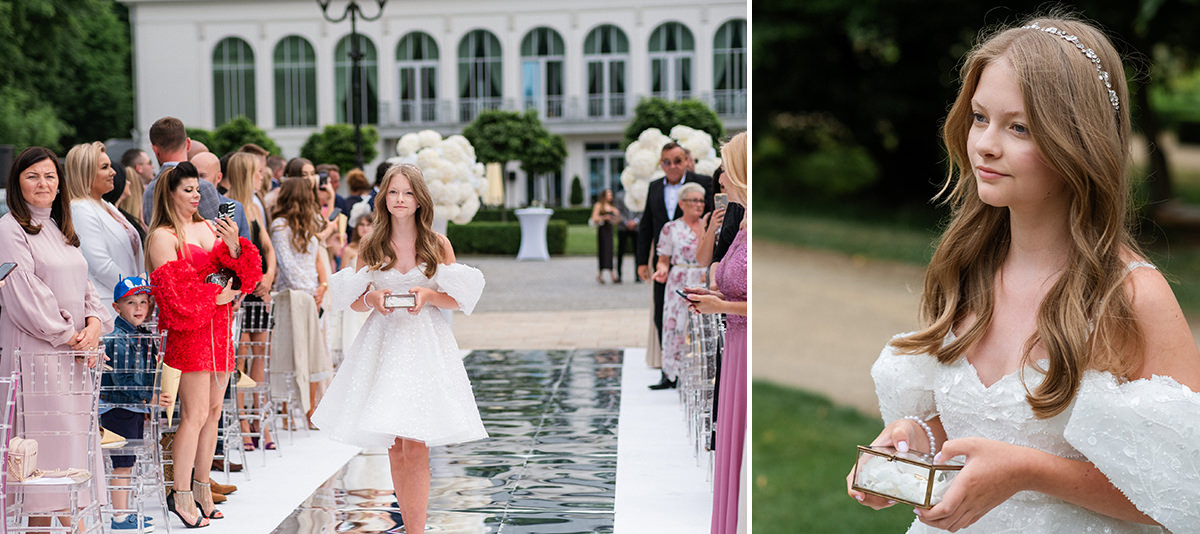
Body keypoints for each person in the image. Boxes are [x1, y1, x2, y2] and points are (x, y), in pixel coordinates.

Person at [845, 16, 1200, 533]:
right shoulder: (968, 265)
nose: (985, 144)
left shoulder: (1130, 295)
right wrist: (918, 438)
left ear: (1078, 141)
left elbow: (1184, 490)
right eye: (979, 117)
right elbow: (976, 424)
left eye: (1019, 128)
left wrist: (1029, 472)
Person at [312, 164, 486, 534]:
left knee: (416, 440)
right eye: (393, 192)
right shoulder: (371, 244)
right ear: (384, 197)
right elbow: (354, 299)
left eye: (407, 193)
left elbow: (457, 298)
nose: (400, 199)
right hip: (384, 344)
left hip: (425, 345)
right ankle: (407, 526)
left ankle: (417, 529)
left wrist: (428, 295)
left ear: (419, 199)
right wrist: (372, 299)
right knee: (395, 444)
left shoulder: (436, 244)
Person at [0, 146, 114, 524]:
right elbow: (25, 295)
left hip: (75, 356)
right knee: (48, 448)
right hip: (37, 354)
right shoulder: (9, 229)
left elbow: (85, 286)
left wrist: (94, 325)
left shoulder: (58, 226)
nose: (43, 183)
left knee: (72, 445)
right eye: (32, 176)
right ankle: (76, 528)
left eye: (50, 176)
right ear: (17, 183)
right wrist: (71, 335)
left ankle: (48, 528)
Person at [146, 161, 261, 528]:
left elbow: (246, 277)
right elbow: (173, 296)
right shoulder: (163, 236)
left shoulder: (209, 227)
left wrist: (233, 245)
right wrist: (217, 297)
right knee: (194, 415)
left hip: (220, 329)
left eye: (198, 189)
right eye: (188, 190)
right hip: (190, 333)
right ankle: (180, 493)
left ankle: (202, 488)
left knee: (213, 413)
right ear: (170, 194)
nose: (196, 196)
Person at [683, 132, 747, 534]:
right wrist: (715, 295)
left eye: (725, 170)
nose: (719, 180)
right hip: (736, 343)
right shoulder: (743, 226)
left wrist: (721, 305)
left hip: (746, 344)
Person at [637, 142, 713, 389]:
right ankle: (669, 372)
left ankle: (701, 372)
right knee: (665, 317)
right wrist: (642, 261)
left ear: (687, 161)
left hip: (700, 268)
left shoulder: (703, 183)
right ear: (661, 164)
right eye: (667, 162)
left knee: (699, 322)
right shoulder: (654, 187)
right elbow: (646, 225)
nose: (672, 166)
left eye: (677, 160)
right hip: (668, 265)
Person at [102, 276, 171, 532]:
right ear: (116, 307)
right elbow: (122, 380)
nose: (139, 307)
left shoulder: (141, 335)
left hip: (132, 408)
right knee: (123, 463)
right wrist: (148, 397)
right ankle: (119, 517)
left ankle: (126, 513)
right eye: (131, 302)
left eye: (143, 301)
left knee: (129, 462)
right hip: (119, 409)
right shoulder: (117, 338)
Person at [269, 178, 333, 433]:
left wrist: (321, 287)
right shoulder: (279, 225)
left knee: (314, 352)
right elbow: (286, 264)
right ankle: (287, 412)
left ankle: (310, 411)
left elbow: (313, 260)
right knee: (289, 353)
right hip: (290, 297)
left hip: (312, 295)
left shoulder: (311, 223)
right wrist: (308, 291)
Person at [224, 151, 278, 451]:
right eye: (257, 172)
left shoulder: (255, 207)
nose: (262, 176)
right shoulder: (231, 208)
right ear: (246, 174)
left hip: (260, 290)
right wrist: (253, 281)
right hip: (242, 292)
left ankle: (260, 420)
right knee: (241, 358)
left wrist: (268, 277)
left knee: (261, 356)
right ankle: (244, 422)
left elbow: (268, 248)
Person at [65, 141, 146, 312]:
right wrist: (135, 290)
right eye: (104, 167)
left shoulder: (106, 205)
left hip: (127, 302)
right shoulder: (80, 209)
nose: (113, 172)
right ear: (86, 174)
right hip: (108, 305)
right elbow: (101, 265)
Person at [652, 183, 709, 385]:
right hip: (679, 279)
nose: (699, 204)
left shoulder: (709, 225)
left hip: (703, 279)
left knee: (700, 326)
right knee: (674, 325)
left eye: (701, 200)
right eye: (694, 200)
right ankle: (670, 373)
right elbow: (663, 259)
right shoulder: (671, 228)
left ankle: (700, 373)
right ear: (682, 203)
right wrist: (661, 270)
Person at [141, 117, 222, 224]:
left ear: (155, 149)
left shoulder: (150, 191)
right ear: (188, 144)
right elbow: (216, 231)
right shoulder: (204, 187)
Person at [590, 189, 620, 284]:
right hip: (602, 231)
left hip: (609, 230)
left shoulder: (612, 207)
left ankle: (611, 273)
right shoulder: (599, 205)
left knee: (610, 251)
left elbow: (618, 217)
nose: (610, 196)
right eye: (608, 194)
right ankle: (601, 274)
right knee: (603, 251)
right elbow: (594, 218)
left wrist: (614, 218)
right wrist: (604, 217)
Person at [613, 189, 641, 283]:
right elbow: (618, 211)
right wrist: (626, 222)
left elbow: (642, 211)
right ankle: (619, 275)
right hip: (623, 227)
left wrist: (635, 221)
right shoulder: (619, 196)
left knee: (637, 252)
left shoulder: (639, 195)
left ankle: (638, 275)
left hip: (636, 227)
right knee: (620, 252)